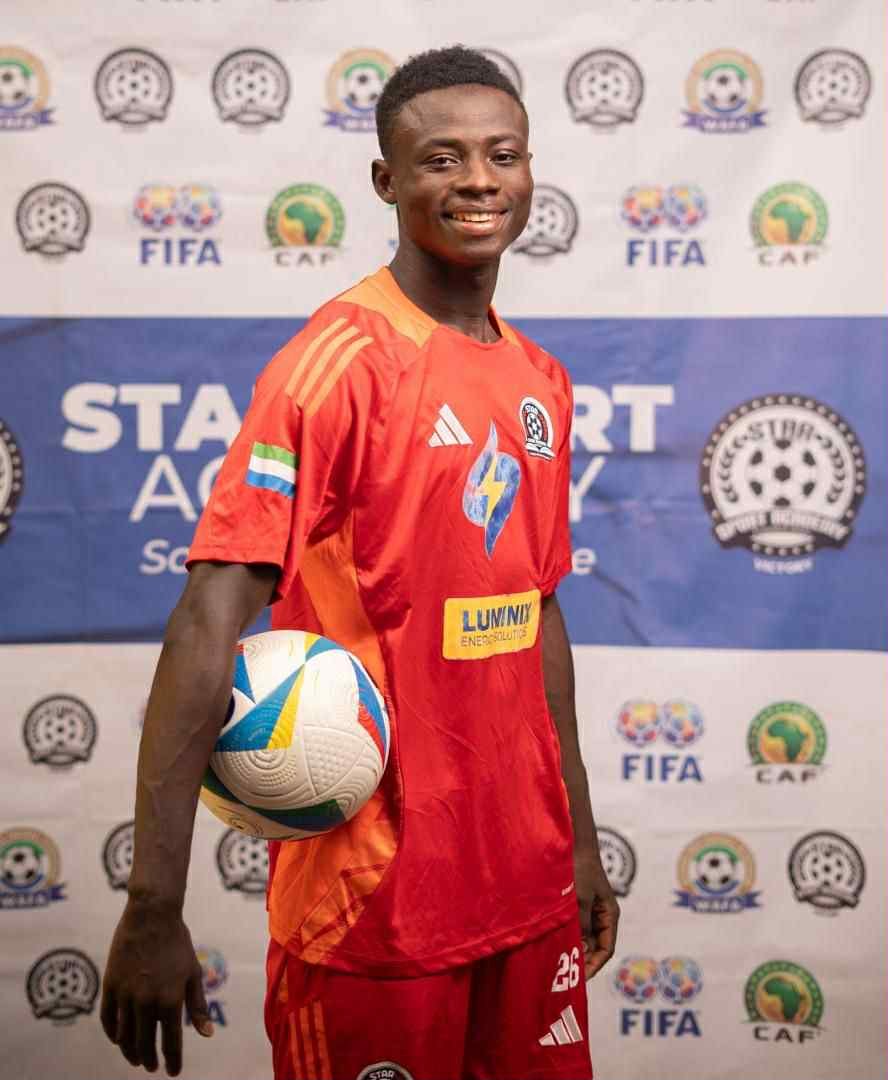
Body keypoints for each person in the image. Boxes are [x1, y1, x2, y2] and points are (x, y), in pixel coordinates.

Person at [101, 45, 619, 1080]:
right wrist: (154, 902)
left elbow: (537, 612)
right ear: (387, 181)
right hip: (375, 907)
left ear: (531, 171)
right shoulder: (339, 365)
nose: (479, 181)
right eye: (442, 158)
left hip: (524, 890)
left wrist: (577, 839)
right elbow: (209, 615)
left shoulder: (540, 379)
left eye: (503, 154)